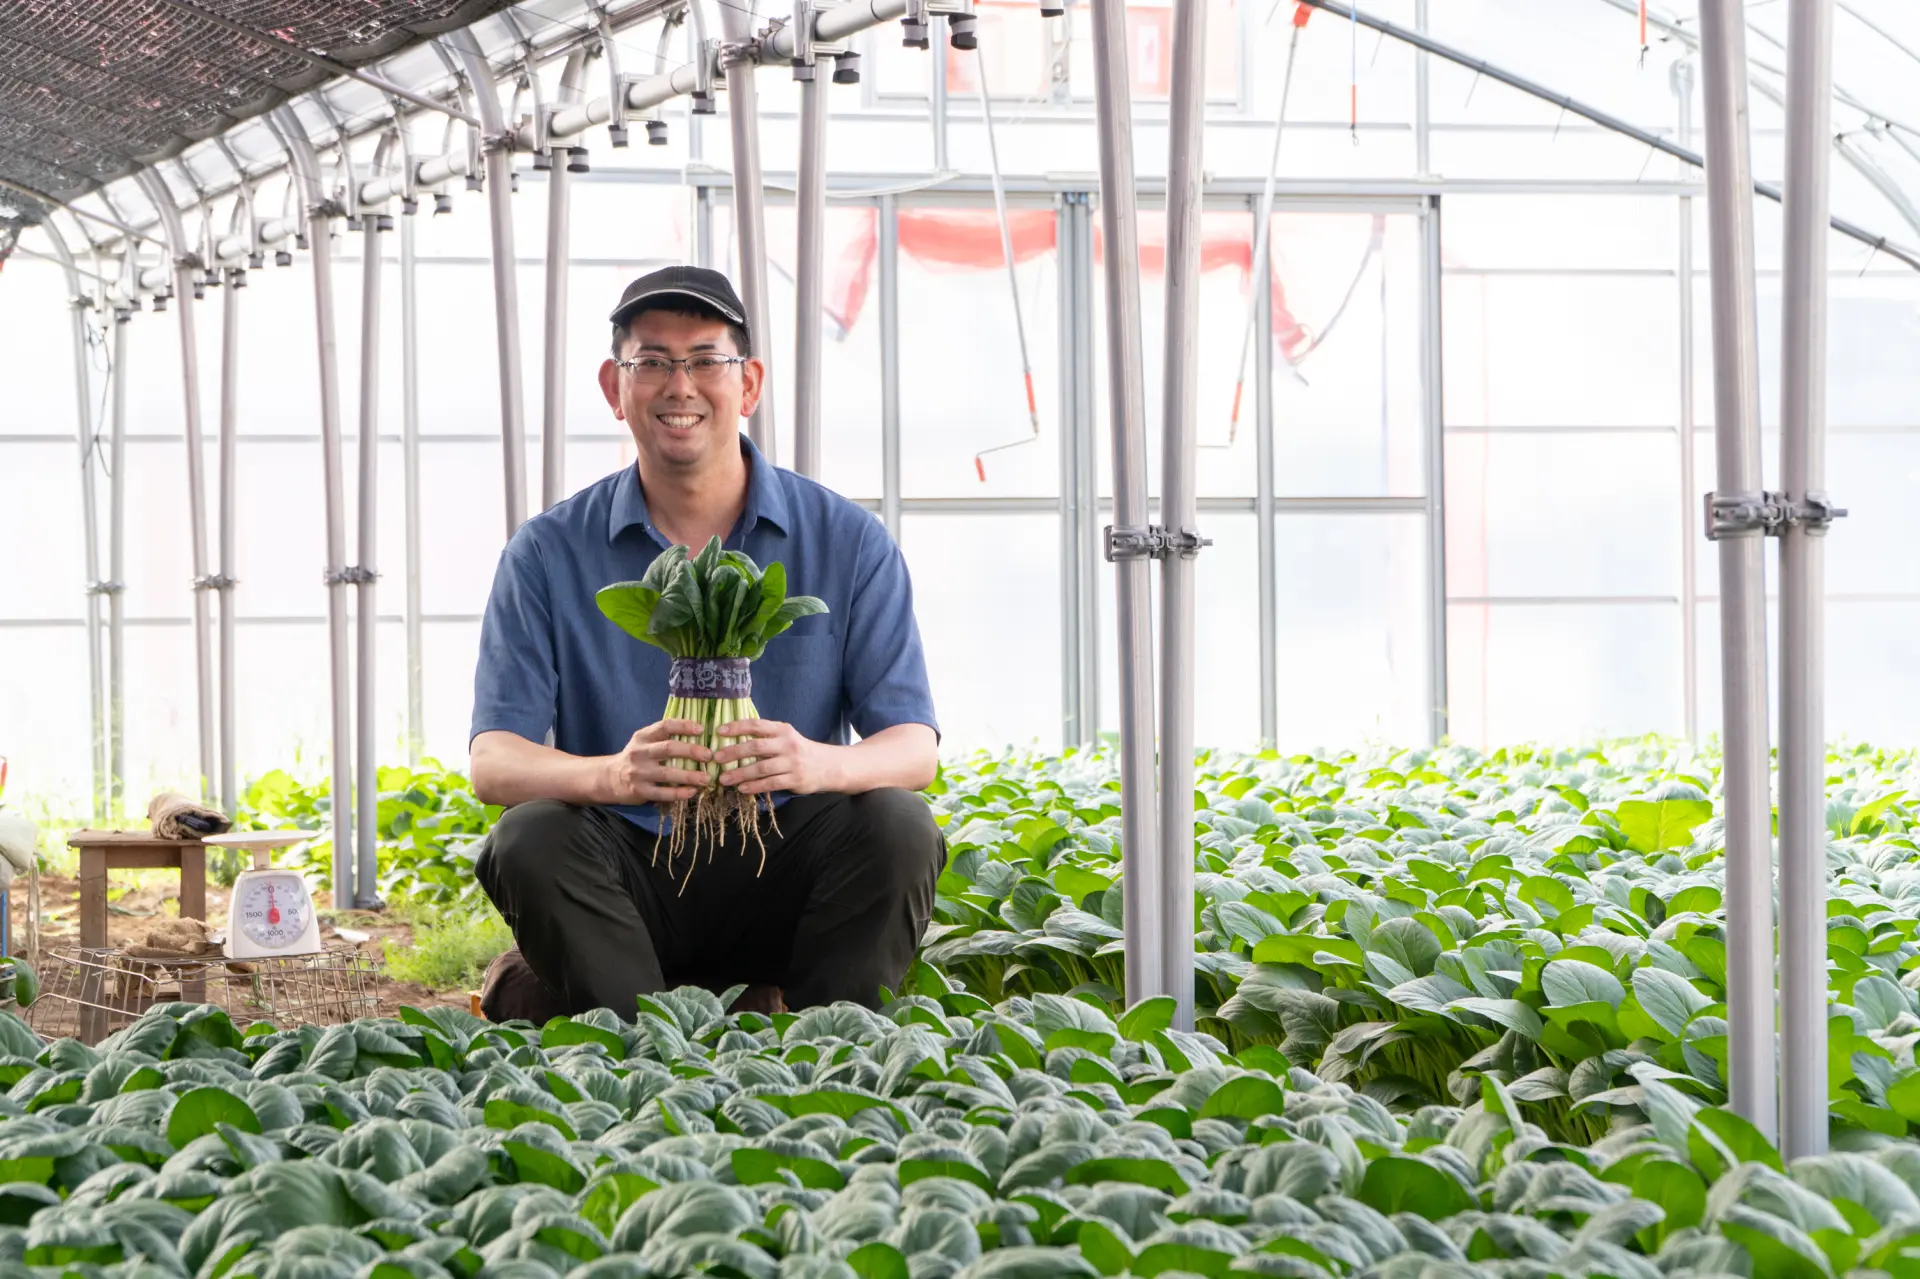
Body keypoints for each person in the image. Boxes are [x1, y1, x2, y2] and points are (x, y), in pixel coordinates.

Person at [467, 265, 945, 1022]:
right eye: (651, 361)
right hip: (628, 871)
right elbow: (494, 760)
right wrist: (614, 775)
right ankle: (653, 1047)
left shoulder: (846, 541)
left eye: (704, 361)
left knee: (898, 826)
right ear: (613, 386)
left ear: (748, 383)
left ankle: (834, 1044)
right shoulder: (549, 552)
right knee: (528, 836)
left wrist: (819, 762)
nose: (678, 385)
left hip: (783, 867)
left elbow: (914, 746)